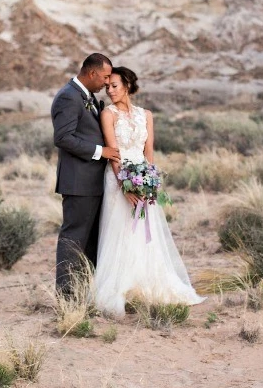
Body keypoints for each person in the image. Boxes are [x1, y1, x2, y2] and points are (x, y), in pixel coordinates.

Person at [94, 66, 205, 316]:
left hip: (142, 177)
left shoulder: (146, 114)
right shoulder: (108, 114)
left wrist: (150, 181)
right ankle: (121, 287)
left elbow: (149, 151)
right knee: (121, 231)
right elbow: (113, 153)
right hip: (118, 178)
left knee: (146, 233)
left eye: (114, 86)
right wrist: (124, 186)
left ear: (128, 86)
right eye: (107, 86)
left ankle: (146, 285)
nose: (109, 91)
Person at [51, 53, 122, 293]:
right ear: (91, 73)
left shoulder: (86, 96)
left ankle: (87, 289)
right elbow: (63, 138)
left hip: (92, 182)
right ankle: (67, 294)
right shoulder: (68, 97)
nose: (106, 83)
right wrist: (100, 151)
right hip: (78, 182)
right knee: (74, 238)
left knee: (91, 240)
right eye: (103, 77)